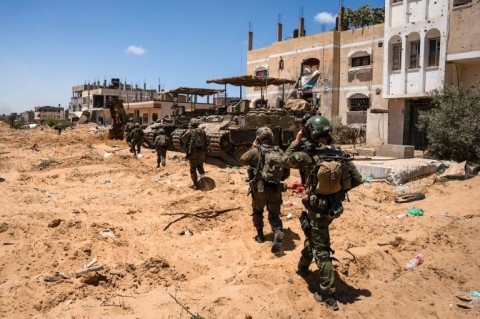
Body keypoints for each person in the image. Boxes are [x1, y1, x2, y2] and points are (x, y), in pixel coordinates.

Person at [281, 116, 362, 311]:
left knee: (322, 249)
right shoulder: (340, 155)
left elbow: (285, 159)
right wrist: (336, 193)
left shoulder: (309, 156)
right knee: (314, 235)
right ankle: (302, 267)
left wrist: (296, 141)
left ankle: (328, 294)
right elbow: (357, 180)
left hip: (317, 209)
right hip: (333, 208)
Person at [240, 127, 290, 256]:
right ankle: (278, 232)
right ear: (271, 137)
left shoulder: (255, 151)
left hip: (259, 189)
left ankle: (261, 236)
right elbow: (286, 172)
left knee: (258, 211)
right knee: (274, 215)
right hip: (275, 188)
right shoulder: (279, 151)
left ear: (258, 138)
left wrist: (253, 147)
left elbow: (242, 160)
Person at [180, 119, 207, 190]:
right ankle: (204, 182)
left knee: (193, 169)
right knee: (200, 166)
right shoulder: (202, 131)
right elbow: (207, 141)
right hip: (202, 152)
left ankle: (195, 185)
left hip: (193, 153)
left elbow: (182, 138)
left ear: (191, 124)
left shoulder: (190, 131)